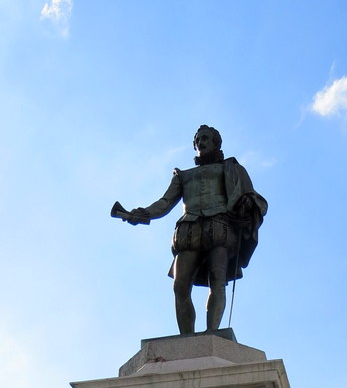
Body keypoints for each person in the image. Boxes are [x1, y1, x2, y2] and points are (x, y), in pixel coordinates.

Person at [114, 126, 267, 336]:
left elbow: (250, 196)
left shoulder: (230, 168)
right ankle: (187, 338)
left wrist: (248, 204)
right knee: (180, 286)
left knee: (218, 280)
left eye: (206, 138)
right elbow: (165, 202)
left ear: (215, 143)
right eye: (198, 140)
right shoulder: (183, 176)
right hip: (188, 230)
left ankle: (212, 332)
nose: (201, 143)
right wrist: (142, 213)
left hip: (219, 227)